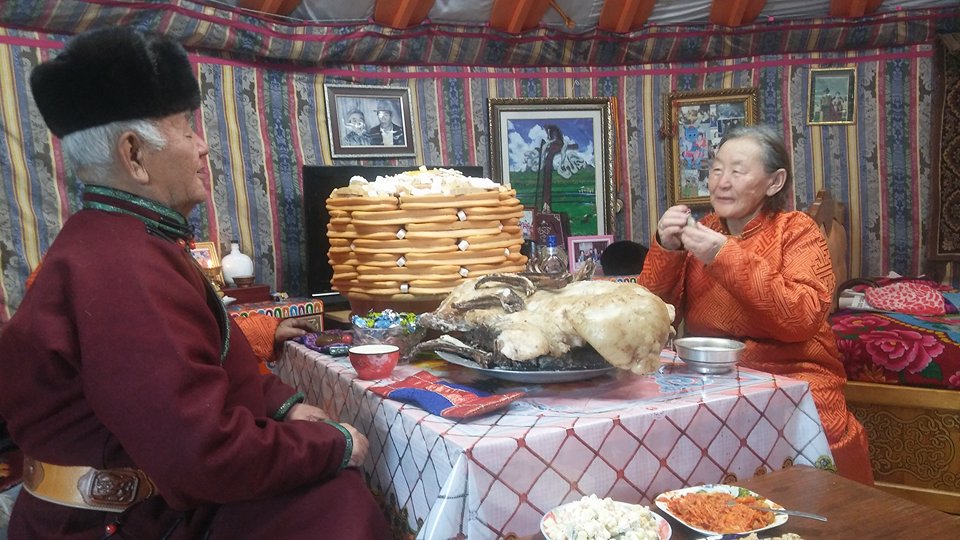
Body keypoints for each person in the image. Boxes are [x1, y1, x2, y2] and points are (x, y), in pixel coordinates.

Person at [0, 28, 390, 538]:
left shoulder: (119, 240)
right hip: (119, 522)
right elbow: (200, 454)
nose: (204, 148)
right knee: (337, 502)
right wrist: (335, 444)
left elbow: (191, 372)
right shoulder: (121, 269)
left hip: (151, 501)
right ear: (134, 154)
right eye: (187, 128)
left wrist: (282, 404)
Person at [638, 125, 873, 485]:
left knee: (816, 438)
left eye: (738, 170)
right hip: (709, 377)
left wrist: (722, 254)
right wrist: (666, 248)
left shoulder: (797, 231)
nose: (721, 182)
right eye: (716, 169)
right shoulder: (702, 230)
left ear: (774, 182)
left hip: (794, 375)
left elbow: (802, 316)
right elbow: (649, 319)